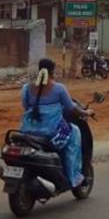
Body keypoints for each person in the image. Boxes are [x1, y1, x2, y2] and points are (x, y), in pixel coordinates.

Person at [19, 58, 93, 188]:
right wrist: (86, 113)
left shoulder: (26, 88)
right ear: (52, 72)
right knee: (74, 133)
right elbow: (71, 108)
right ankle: (73, 177)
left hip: (28, 130)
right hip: (51, 131)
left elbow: (26, 107)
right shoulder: (59, 89)